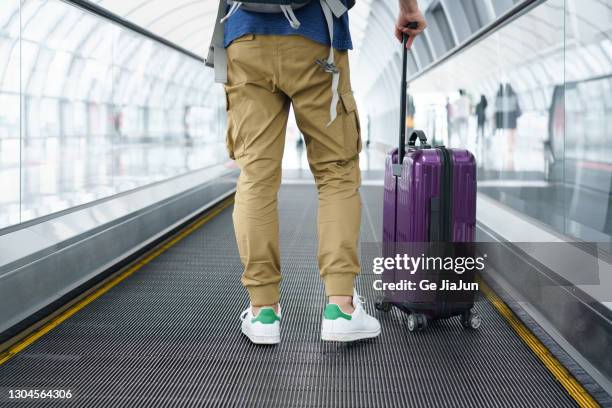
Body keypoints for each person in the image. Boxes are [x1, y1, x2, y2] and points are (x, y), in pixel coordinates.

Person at [219, 0, 426, 344]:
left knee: (255, 175)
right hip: (317, 35)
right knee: (337, 172)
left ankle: (263, 312)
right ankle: (341, 309)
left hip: (245, 39)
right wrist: (407, 8)